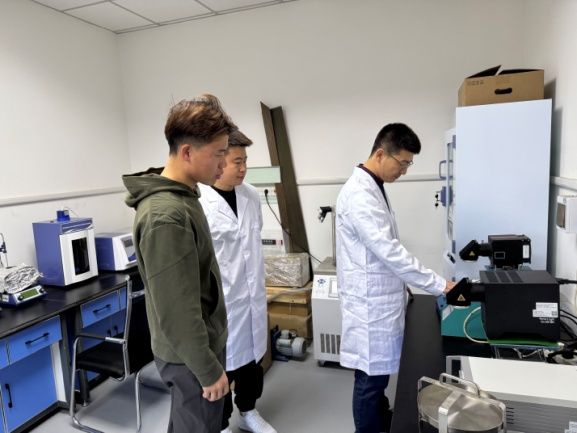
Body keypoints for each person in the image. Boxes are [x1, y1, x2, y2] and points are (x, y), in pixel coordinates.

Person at [122, 94, 237, 433]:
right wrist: (207, 369)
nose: (224, 163)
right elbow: (177, 311)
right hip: (191, 356)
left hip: (198, 347)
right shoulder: (166, 216)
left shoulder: (185, 196)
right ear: (187, 152)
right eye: (219, 153)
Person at [335, 123, 457, 433]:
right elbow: (389, 251)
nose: (403, 171)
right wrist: (441, 285)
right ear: (380, 154)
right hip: (369, 305)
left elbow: (380, 249)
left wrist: (402, 283)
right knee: (369, 379)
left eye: (408, 164)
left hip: (380, 298)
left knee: (377, 377)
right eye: (402, 163)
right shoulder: (359, 195)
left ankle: (380, 419)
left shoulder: (374, 186)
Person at [198, 130, 277, 433]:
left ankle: (248, 411)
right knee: (222, 366)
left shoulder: (251, 195)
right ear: (219, 159)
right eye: (237, 162)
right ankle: (220, 425)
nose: (243, 169)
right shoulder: (200, 201)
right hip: (222, 302)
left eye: (245, 161)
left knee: (252, 362)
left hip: (252, 296)